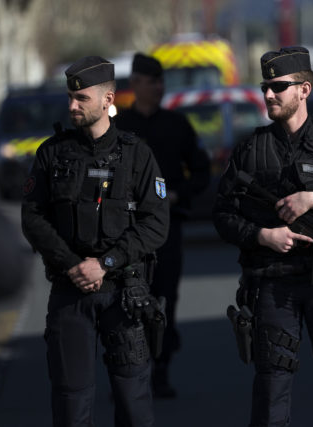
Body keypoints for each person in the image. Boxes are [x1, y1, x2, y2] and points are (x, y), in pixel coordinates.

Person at [213, 46, 313, 426]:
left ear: (304, 89)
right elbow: (222, 214)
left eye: (279, 87)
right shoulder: (251, 150)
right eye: (264, 87)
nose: (269, 94)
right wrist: (262, 236)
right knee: (271, 391)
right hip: (273, 285)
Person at [21, 56, 169, 426]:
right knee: (72, 405)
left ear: (107, 99)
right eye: (70, 97)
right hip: (71, 292)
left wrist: (106, 264)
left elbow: (155, 224)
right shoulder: (52, 154)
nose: (72, 105)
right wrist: (74, 265)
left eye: (81, 98)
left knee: (134, 404)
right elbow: (33, 217)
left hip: (124, 294)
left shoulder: (137, 155)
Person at [115, 52, 210, 398]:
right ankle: (126, 373)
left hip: (167, 229)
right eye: (151, 81)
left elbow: (200, 172)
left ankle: (161, 370)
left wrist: (175, 195)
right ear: (136, 84)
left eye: (160, 81)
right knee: (124, 303)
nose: (158, 87)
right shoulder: (119, 128)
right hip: (125, 233)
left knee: (164, 301)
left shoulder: (177, 125)